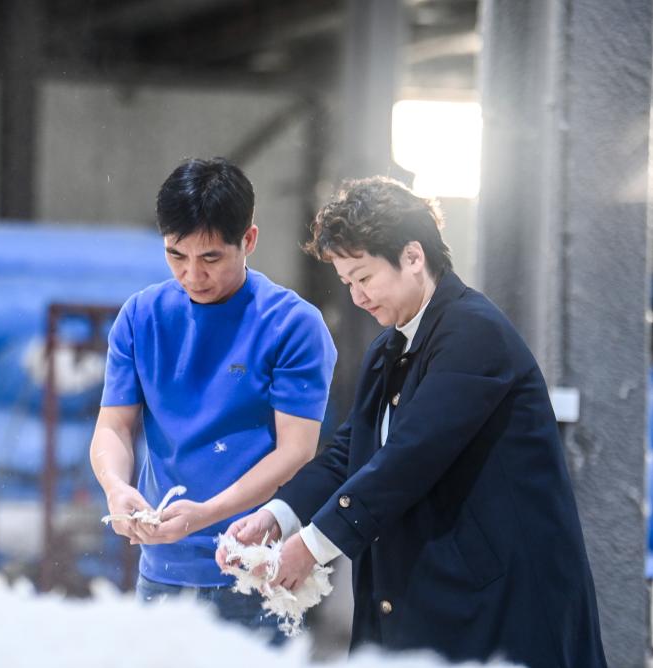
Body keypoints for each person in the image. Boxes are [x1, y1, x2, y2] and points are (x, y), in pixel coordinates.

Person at [218, 176, 607, 666]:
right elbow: (349, 453)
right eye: (347, 283)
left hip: (502, 607)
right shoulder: (390, 346)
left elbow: (410, 457)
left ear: (413, 256)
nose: (357, 297)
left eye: (364, 278)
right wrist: (278, 516)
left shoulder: (474, 332)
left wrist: (312, 546)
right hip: (433, 602)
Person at [90, 157, 337, 635]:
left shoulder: (292, 325)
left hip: (255, 570)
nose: (192, 275)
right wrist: (116, 488)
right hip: (161, 568)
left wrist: (207, 515)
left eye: (210, 258)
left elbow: (296, 450)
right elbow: (113, 425)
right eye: (175, 255)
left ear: (249, 240)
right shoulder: (141, 317)